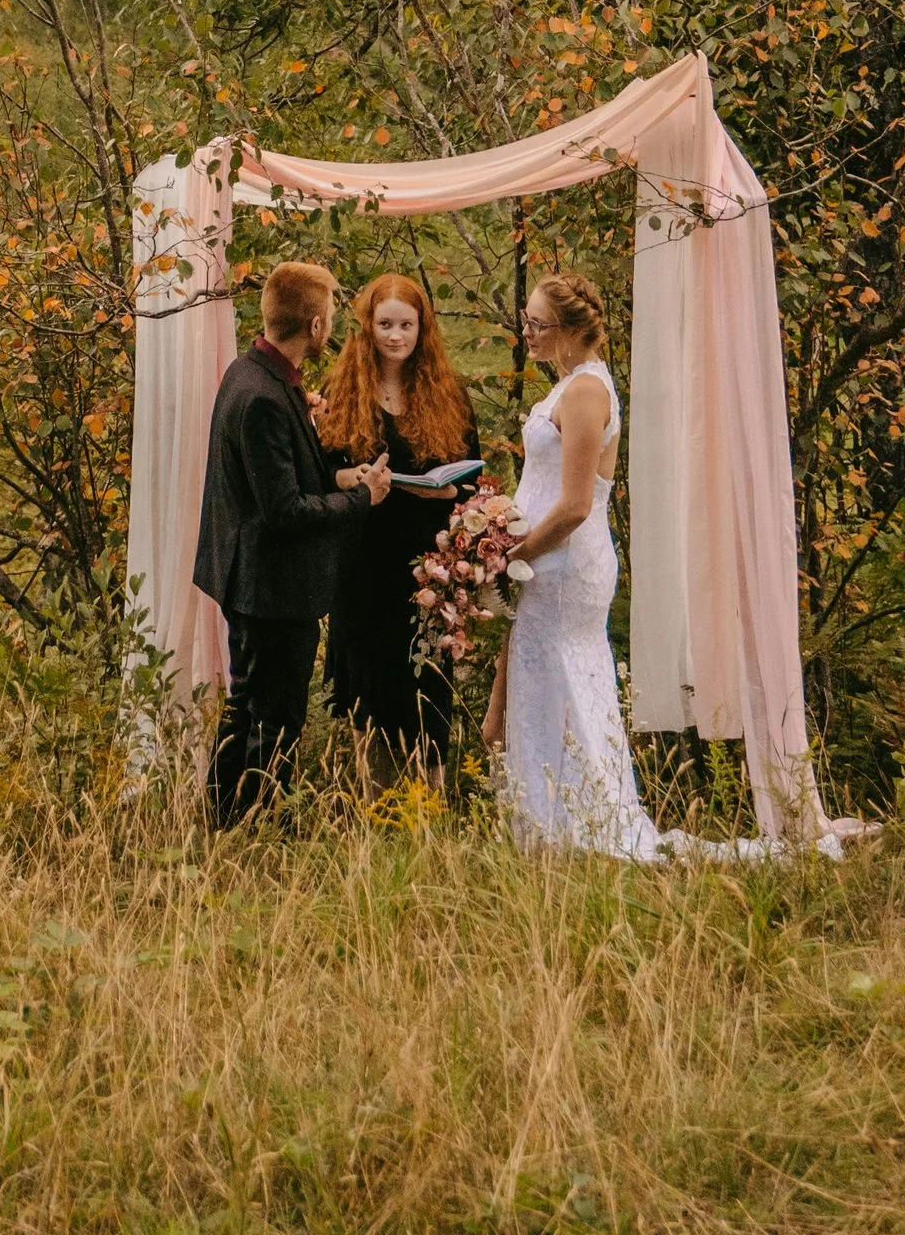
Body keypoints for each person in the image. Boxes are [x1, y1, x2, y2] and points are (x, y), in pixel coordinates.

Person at [193, 258, 390, 824]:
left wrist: (334, 477)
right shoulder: (262, 397)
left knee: (246, 708)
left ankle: (222, 820)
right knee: (275, 719)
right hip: (271, 587)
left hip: (252, 577)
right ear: (316, 327)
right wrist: (362, 498)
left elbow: (274, 479)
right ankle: (256, 829)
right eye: (329, 315)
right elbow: (282, 511)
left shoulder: (251, 374)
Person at [482, 268, 661, 860]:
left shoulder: (586, 392)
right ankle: (552, 826)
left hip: (561, 566)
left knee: (561, 679)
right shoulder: (570, 386)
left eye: (537, 324)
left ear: (568, 330)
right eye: (527, 321)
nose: (526, 333)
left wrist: (517, 553)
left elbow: (578, 503)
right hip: (544, 562)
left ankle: (578, 826)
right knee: (547, 680)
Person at [318, 272, 481, 780]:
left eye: (406, 325)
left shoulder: (448, 393)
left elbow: (472, 481)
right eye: (385, 323)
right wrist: (352, 476)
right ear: (367, 326)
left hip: (425, 567)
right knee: (370, 689)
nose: (395, 336)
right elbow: (317, 473)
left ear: (421, 328)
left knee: (429, 685)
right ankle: (376, 811)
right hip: (364, 563)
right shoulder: (340, 389)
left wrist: (447, 491)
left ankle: (429, 808)